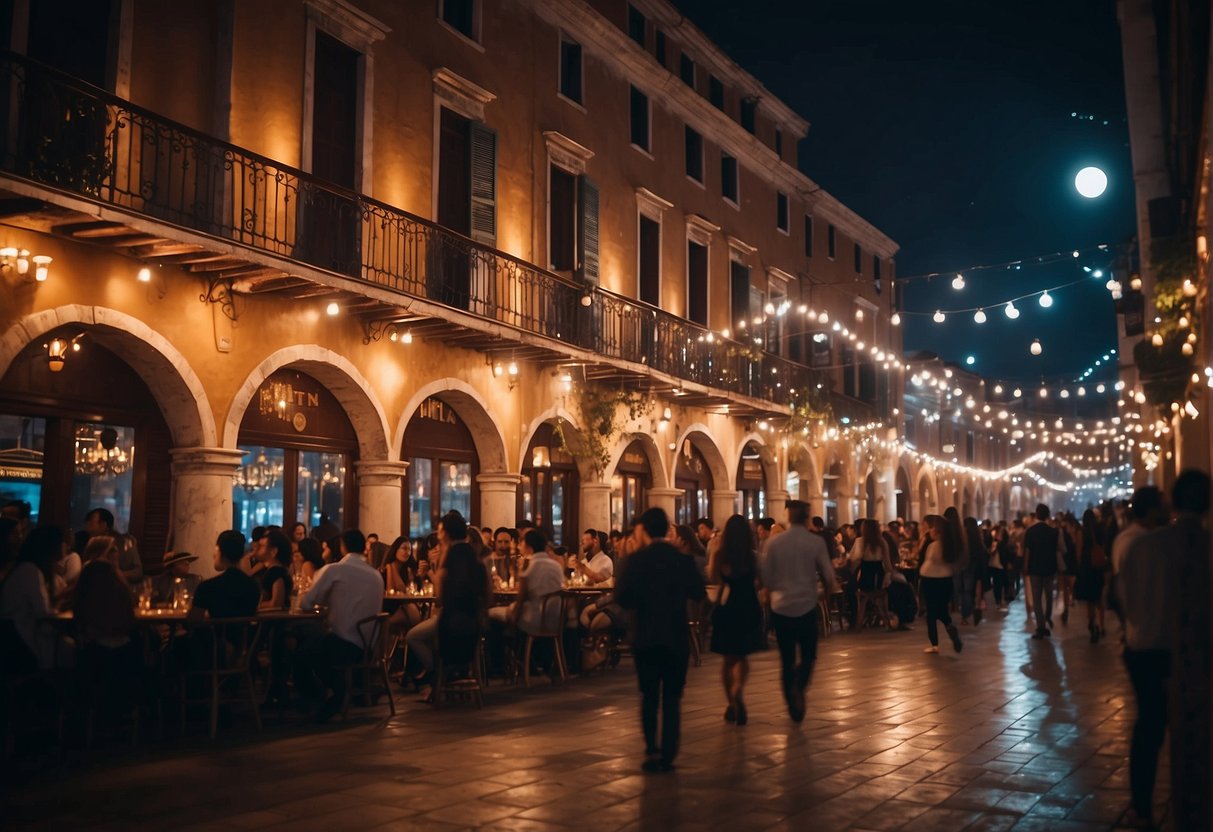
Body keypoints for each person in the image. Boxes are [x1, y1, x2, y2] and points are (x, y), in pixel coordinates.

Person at [1118, 469, 1209, 828]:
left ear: (1173, 500)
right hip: (1196, 653)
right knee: (1196, 731)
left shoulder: (1144, 546)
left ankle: (1142, 807)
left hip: (1147, 651)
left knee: (1149, 728)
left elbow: (1127, 600)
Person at [616, 507, 705, 773]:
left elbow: (622, 597)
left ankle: (651, 750)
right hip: (675, 635)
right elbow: (699, 592)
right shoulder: (682, 559)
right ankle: (669, 751)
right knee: (672, 697)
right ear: (666, 529)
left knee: (649, 695)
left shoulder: (636, 560)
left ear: (643, 529)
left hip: (645, 635)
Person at [296, 528, 383, 722]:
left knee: (300, 654)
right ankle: (337, 692)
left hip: (342, 645)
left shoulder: (335, 570)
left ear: (342, 547)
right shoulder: (376, 575)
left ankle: (325, 696)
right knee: (315, 645)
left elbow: (306, 603)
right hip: (368, 647)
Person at [760, 500, 835, 722]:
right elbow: (828, 576)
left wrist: (769, 593)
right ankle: (799, 688)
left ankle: (792, 703)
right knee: (809, 655)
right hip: (806, 605)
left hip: (781, 607)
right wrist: (825, 595)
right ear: (807, 517)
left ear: (788, 517)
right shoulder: (814, 542)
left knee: (786, 659)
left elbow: (765, 577)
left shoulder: (773, 543)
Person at [708, 515, 765, 725]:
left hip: (728, 606)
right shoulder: (753, 556)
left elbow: (714, 578)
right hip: (749, 605)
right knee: (742, 656)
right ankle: (738, 688)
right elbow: (760, 582)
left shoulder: (721, 555)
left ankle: (732, 701)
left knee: (727, 658)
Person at [0, 526, 66, 669]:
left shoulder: (25, 568)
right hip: (20, 642)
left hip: (15, 638)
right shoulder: (29, 571)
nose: (65, 547)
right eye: (62, 543)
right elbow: (43, 612)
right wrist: (61, 603)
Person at [189, 531, 260, 621]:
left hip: (215, 635)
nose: (213, 556)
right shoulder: (253, 586)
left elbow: (192, 622)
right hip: (245, 635)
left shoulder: (207, 587)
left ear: (219, 551)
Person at [919, 514, 962, 654]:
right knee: (942, 609)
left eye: (932, 528)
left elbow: (926, 561)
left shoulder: (933, 546)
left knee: (931, 612)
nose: (929, 531)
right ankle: (949, 626)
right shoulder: (950, 546)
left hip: (930, 579)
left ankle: (935, 644)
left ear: (937, 531)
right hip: (946, 580)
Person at [1022, 503, 1062, 639]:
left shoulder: (1031, 531)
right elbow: (1057, 550)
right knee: (1049, 595)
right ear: (1047, 515)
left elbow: (1027, 551)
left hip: (1035, 568)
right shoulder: (1053, 532)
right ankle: (1047, 616)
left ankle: (1041, 626)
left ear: (1037, 514)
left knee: (1037, 599)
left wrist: (1025, 567)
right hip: (1050, 567)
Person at [1073, 509, 1107, 643]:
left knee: (1090, 600)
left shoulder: (1082, 532)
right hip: (1098, 568)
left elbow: (1079, 552)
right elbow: (1103, 549)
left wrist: (1078, 568)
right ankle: (1102, 625)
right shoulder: (1100, 530)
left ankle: (1092, 624)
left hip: (1087, 568)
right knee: (1099, 598)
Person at [84, 507, 142, 583]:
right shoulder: (89, 542)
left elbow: (138, 572)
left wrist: (118, 575)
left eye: (91, 524)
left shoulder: (124, 543)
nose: (88, 529)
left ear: (103, 525)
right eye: (87, 525)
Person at [257, 529, 293, 610]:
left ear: (273, 551)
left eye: (262, 546)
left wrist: (255, 605)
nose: (257, 550)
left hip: (273, 620)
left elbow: (276, 602)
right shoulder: (275, 570)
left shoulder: (276, 571)